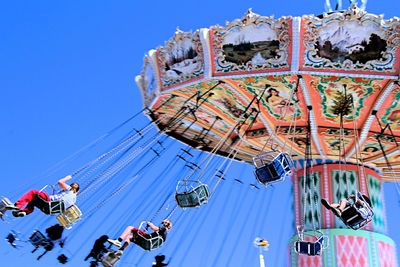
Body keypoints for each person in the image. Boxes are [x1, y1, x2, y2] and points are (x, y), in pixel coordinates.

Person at [5, 175, 79, 217]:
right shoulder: (73, 201)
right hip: (50, 211)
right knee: (33, 199)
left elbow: (60, 182)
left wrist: (67, 178)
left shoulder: (70, 189)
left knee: (33, 192)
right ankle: (25, 212)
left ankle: (17, 205)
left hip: (49, 202)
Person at [107, 219, 172, 257]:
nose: (163, 223)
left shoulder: (163, 228)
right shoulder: (165, 236)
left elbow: (154, 228)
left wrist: (149, 223)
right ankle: (121, 250)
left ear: (166, 224)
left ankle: (118, 240)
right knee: (130, 238)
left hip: (147, 239)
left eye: (164, 223)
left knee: (130, 228)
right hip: (147, 246)